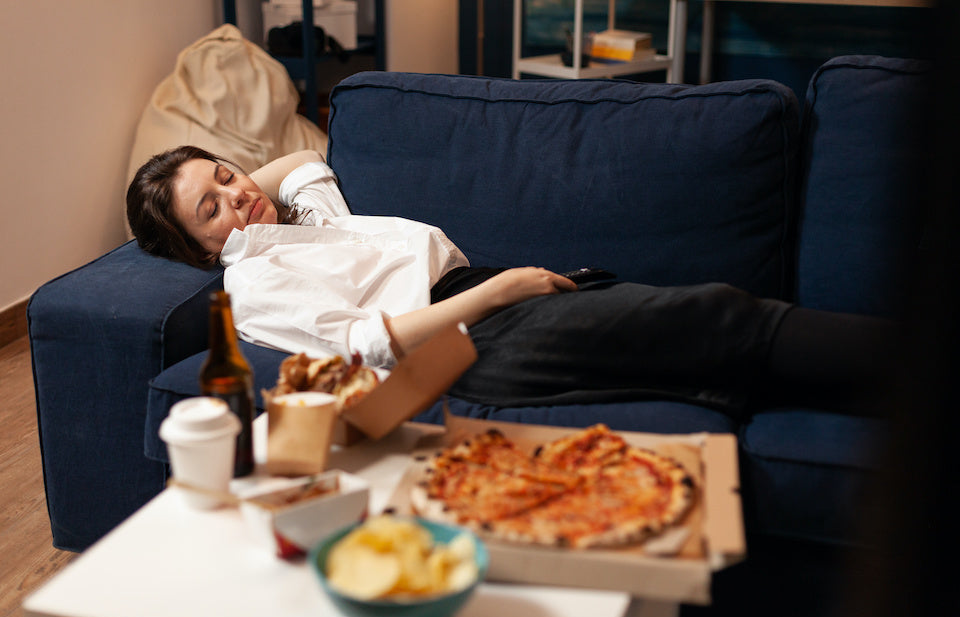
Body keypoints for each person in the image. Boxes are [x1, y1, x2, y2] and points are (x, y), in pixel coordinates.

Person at [127, 145, 897, 416]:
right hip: (462, 331)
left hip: (488, 297)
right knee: (712, 318)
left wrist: (240, 204)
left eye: (227, 174)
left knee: (691, 332)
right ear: (198, 252)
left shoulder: (303, 219)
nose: (236, 193)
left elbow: (300, 164)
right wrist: (499, 292)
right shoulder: (256, 282)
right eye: (211, 206)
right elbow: (367, 345)